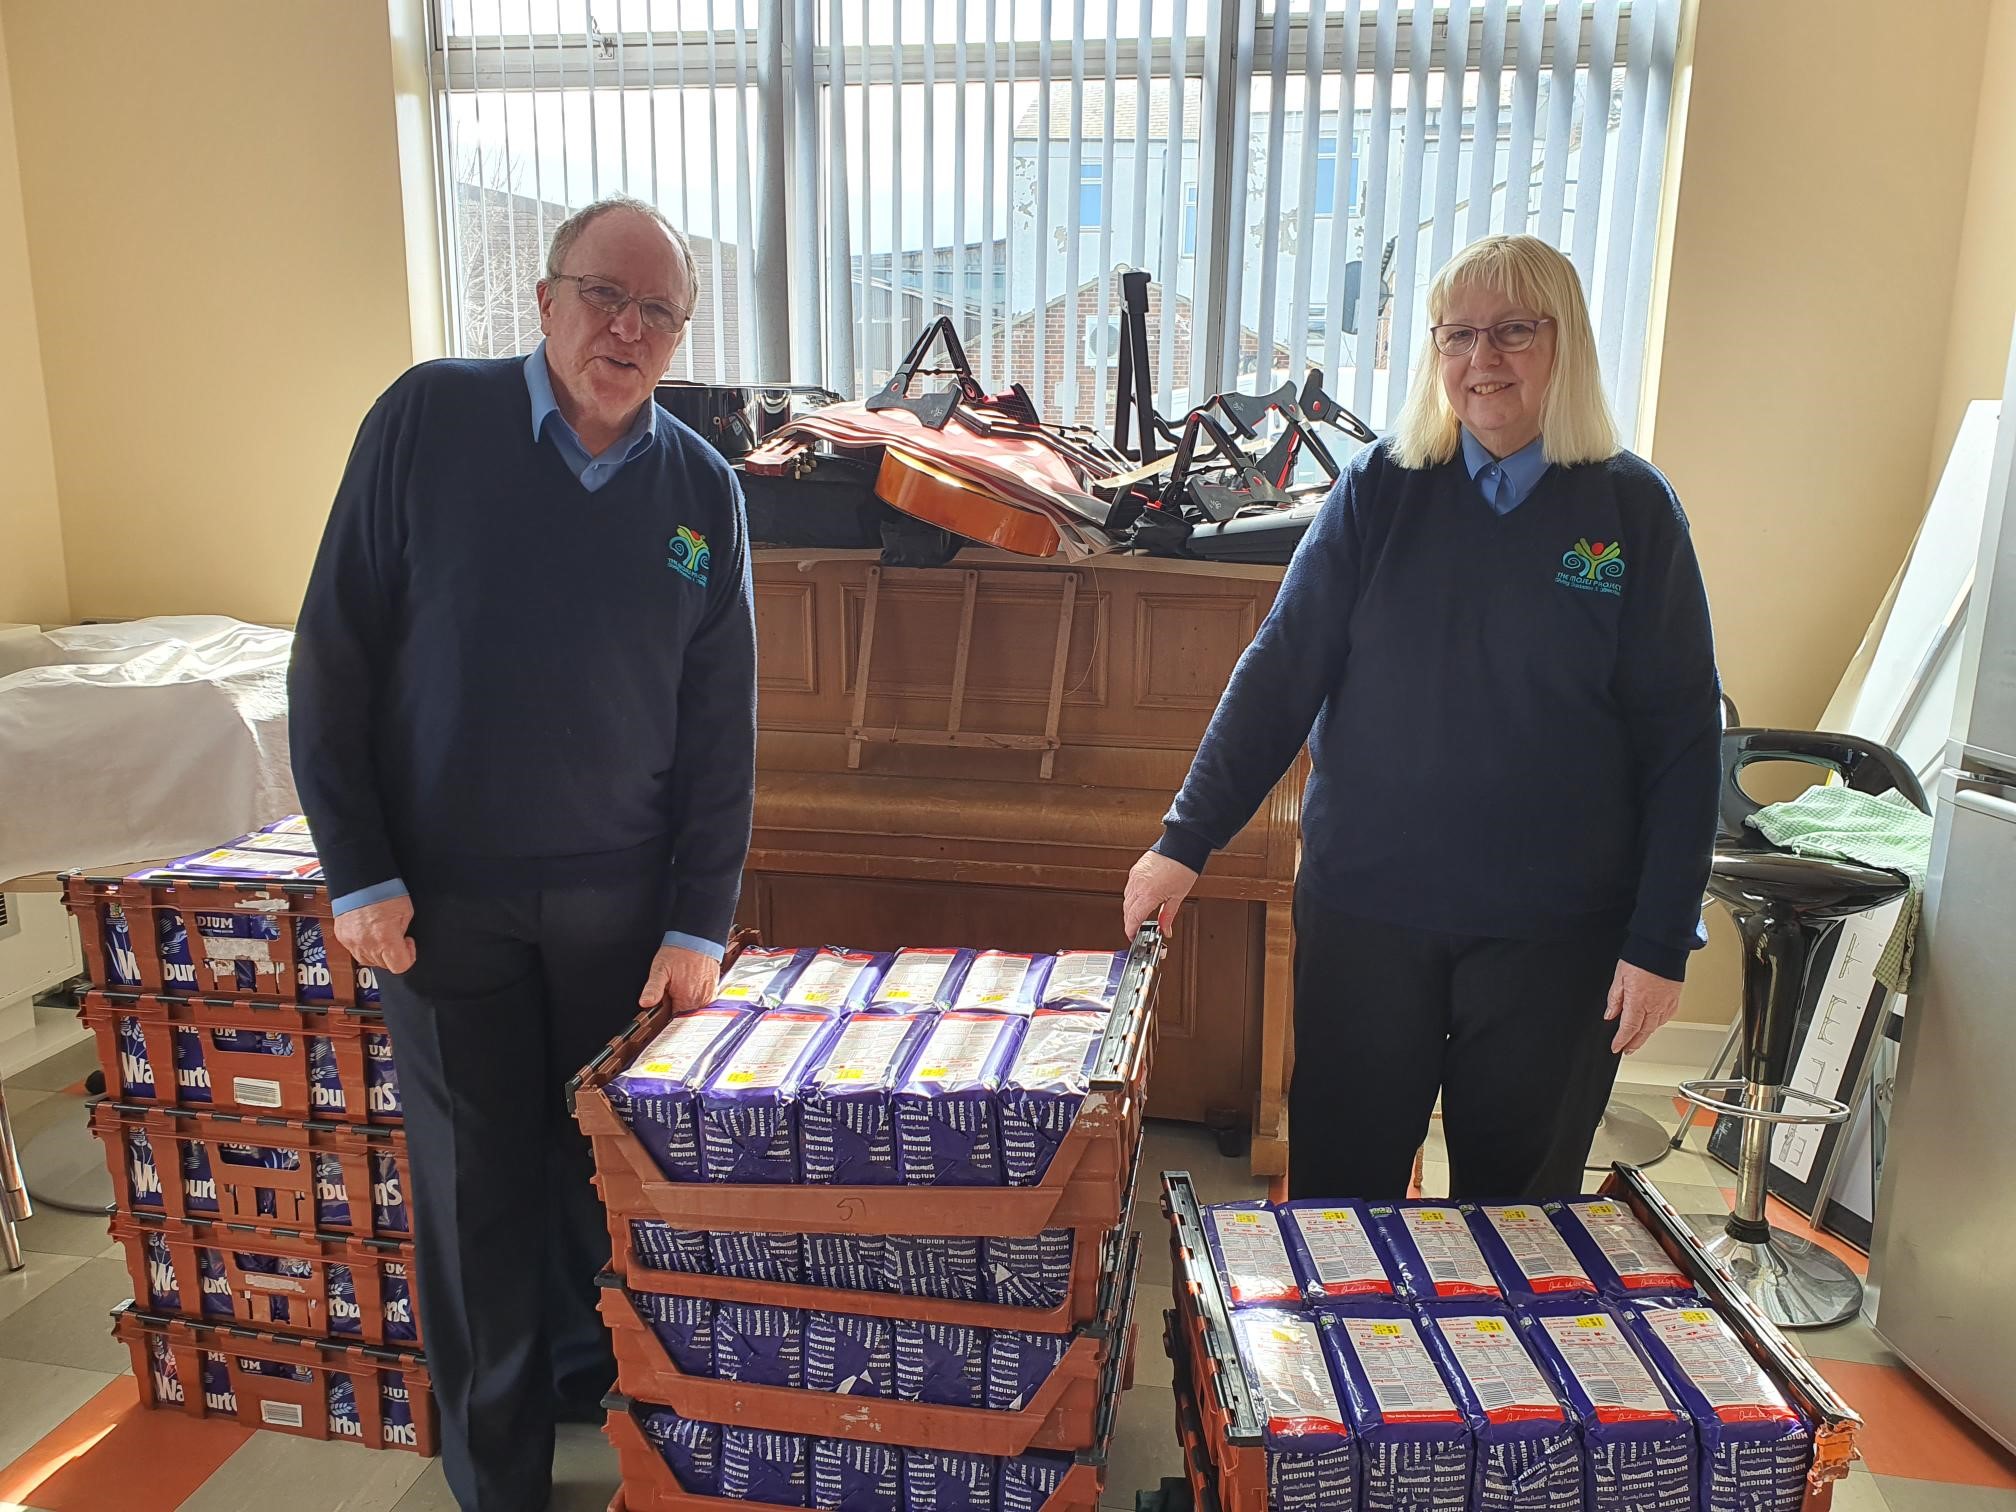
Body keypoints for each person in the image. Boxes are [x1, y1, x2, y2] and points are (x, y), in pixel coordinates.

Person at [289, 196, 757, 1512]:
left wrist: (696, 924)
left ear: (678, 336)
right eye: (603, 295)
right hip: (447, 910)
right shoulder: (427, 422)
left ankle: (593, 1400)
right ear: (544, 302)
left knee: (598, 1178)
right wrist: (360, 874)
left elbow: (722, 733)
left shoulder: (700, 492)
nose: (627, 327)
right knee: (477, 1194)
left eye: (658, 311)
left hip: (620, 914)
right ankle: (497, 1484)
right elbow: (331, 656)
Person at [1122, 234, 1719, 1202]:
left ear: (1565, 345)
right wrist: (1184, 841)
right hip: (1371, 912)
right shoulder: (1381, 489)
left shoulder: (1631, 509)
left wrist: (1658, 940)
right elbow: (1282, 669)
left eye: (1514, 332)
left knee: (1518, 1206)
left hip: (1555, 932)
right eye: (1458, 335)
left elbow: (1684, 742)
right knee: (1343, 1193)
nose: (1482, 361)